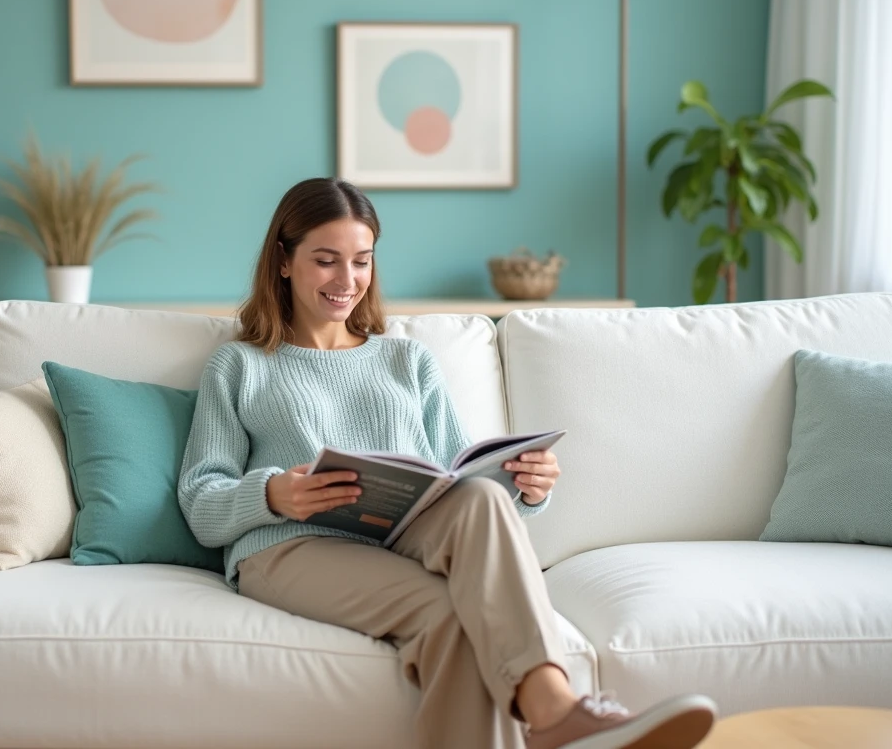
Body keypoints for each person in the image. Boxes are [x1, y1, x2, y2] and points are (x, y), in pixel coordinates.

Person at [177, 177, 718, 749]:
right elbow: (199, 499)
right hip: (288, 547)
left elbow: (455, 479)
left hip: (398, 532)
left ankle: (554, 707)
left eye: (361, 261)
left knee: (481, 497)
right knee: (450, 616)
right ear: (283, 262)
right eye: (326, 261)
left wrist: (525, 488)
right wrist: (272, 494)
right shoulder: (239, 366)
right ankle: (556, 713)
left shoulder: (407, 359)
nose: (347, 281)